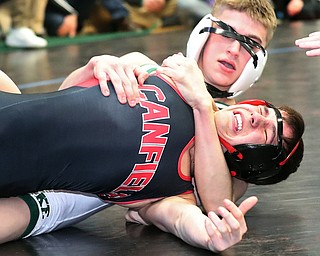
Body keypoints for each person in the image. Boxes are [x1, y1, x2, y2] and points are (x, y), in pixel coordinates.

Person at [0, 0, 280, 246]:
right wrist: (92, 68)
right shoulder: (145, 67)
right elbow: (61, 105)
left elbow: (207, 208)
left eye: (250, 43)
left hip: (53, 197)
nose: (233, 49)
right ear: (203, 31)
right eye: (226, 32)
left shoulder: (228, 149)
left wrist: (202, 104)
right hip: (30, 132)